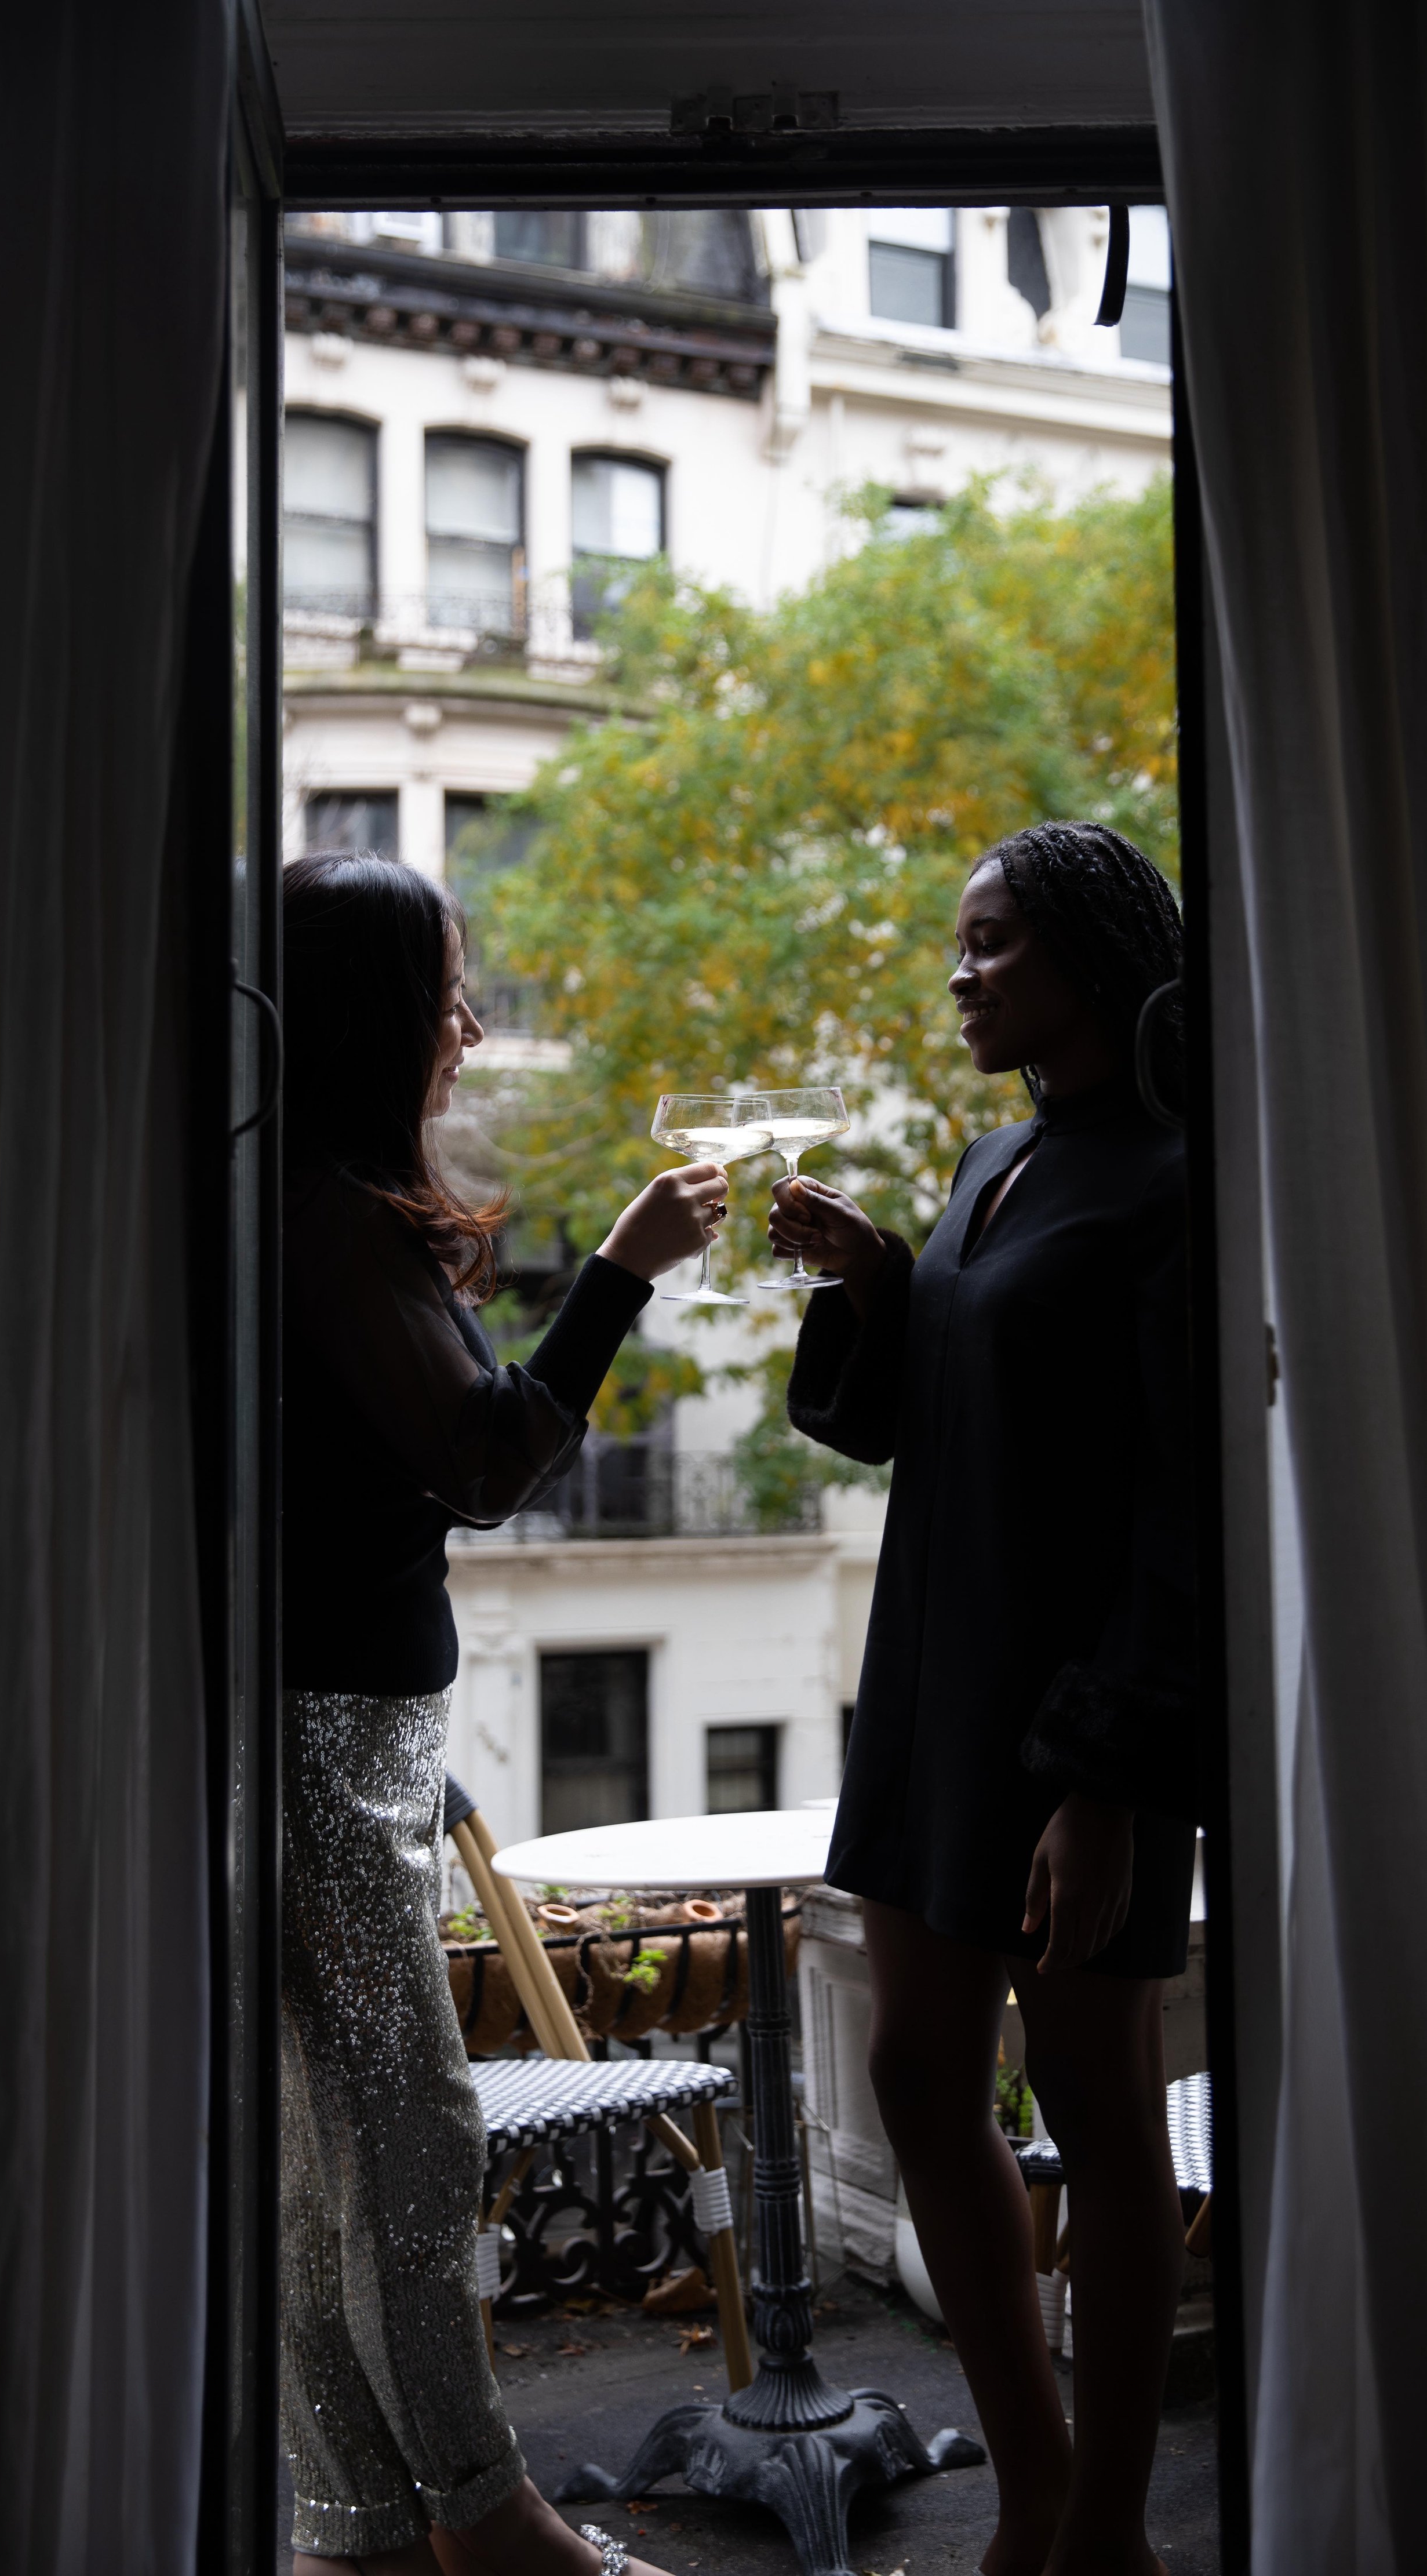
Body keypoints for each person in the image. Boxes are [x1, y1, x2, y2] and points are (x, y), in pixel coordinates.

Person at [281, 850, 725, 2576]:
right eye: (447, 991)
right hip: (330, 1741)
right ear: (372, 1015)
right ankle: (492, 2522)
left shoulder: (302, 1198)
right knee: (405, 2140)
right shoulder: (331, 1214)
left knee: (326, 2162)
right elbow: (486, 1459)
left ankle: (362, 2533)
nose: (466, 1026)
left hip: (335, 1730)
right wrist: (620, 1268)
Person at [768, 823, 1197, 2576]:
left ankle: (1108, 2529)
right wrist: (883, 1277)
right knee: (916, 2066)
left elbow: (1183, 1508)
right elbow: (911, 1418)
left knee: (1097, 2109)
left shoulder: (1181, 1179)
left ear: (1091, 954)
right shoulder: (986, 1160)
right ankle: (1033, 2490)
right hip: (931, 1692)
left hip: (1075, 1722)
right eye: (962, 942)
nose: (962, 972)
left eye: (994, 940)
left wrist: (1106, 1779)